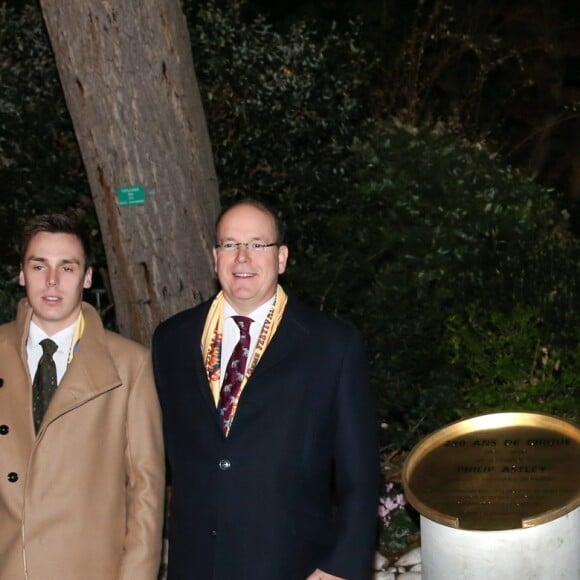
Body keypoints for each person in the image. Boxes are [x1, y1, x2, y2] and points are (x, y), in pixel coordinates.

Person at [153, 199, 380, 580]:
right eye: (229, 244)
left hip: (295, 564)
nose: (242, 258)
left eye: (257, 245)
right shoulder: (171, 340)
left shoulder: (331, 345)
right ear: (215, 256)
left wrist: (342, 565)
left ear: (281, 258)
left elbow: (361, 473)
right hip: (196, 563)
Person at [0, 214, 165, 579]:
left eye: (68, 267)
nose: (53, 281)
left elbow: (146, 491)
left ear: (87, 277)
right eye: (39, 266)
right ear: (22, 274)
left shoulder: (129, 364)